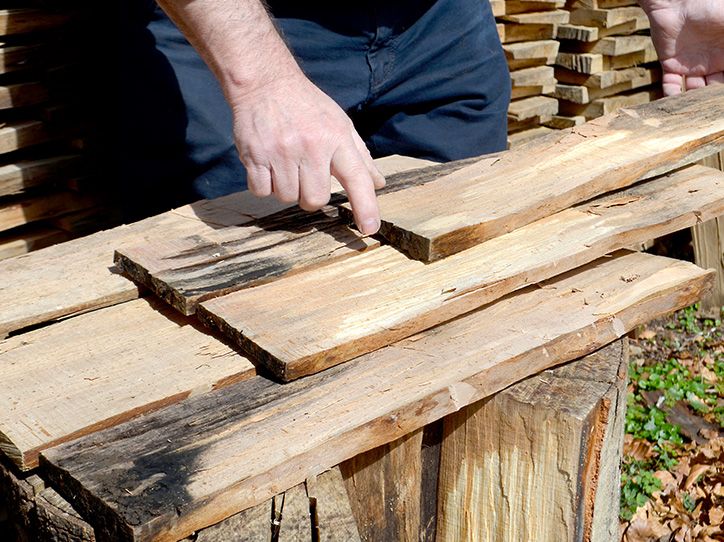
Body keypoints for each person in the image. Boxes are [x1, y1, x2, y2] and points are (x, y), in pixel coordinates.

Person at [121, 0, 723, 232]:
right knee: (243, 287)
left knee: (465, 252)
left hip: (438, 22)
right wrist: (261, 81)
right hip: (236, 22)